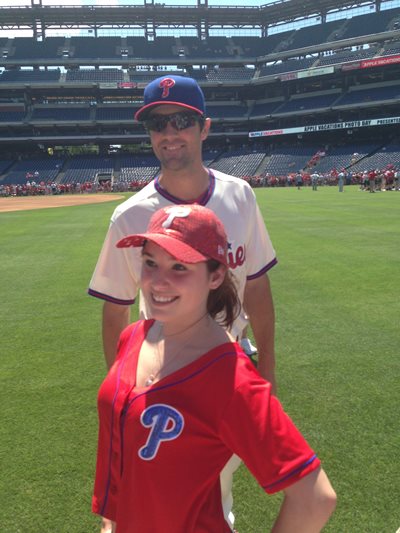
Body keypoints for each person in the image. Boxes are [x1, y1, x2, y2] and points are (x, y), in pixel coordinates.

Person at [89, 74, 277, 532]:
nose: (169, 133)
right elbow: (116, 309)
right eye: (157, 124)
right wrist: (124, 389)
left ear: (204, 128)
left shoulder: (239, 196)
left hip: (232, 373)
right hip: (167, 379)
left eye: (181, 121)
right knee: (165, 499)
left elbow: (256, 285)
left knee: (219, 492)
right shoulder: (129, 215)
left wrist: (268, 371)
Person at [92, 204, 337, 533]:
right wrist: (113, 520)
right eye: (150, 262)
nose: (158, 281)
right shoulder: (134, 337)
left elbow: (315, 498)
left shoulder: (232, 380)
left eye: (179, 267)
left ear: (216, 275)